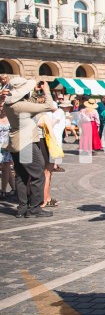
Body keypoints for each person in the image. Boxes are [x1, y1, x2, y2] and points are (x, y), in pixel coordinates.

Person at [3, 78, 58, 218]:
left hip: (16, 143)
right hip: (26, 143)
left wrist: (33, 93)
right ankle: (34, 208)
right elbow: (49, 106)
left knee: (22, 176)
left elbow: (30, 104)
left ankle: (22, 208)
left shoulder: (8, 105)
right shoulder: (21, 106)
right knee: (38, 175)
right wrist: (46, 91)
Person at [0, 106, 14, 198]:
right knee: (6, 168)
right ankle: (14, 188)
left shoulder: (11, 118)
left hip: (7, 145)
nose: (1, 109)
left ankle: (3, 191)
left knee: (5, 167)